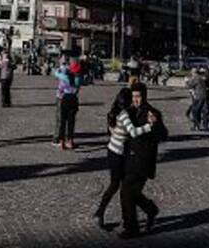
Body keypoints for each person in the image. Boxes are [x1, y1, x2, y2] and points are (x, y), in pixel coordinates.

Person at [94, 88, 155, 229]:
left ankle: (114, 214)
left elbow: (110, 130)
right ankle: (103, 212)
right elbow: (133, 132)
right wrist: (149, 126)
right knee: (121, 186)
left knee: (123, 187)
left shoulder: (113, 111)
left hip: (114, 151)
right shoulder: (124, 114)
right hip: (118, 154)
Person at [120, 82, 167, 239]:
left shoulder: (152, 112)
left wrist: (154, 124)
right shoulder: (129, 111)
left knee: (127, 192)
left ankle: (132, 228)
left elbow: (163, 135)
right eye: (133, 97)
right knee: (132, 193)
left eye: (138, 97)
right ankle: (150, 209)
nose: (136, 100)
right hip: (129, 159)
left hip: (143, 161)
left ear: (144, 96)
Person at [55, 60, 81, 149]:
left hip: (65, 98)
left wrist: (59, 69)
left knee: (62, 121)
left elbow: (56, 74)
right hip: (73, 99)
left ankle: (62, 141)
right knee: (71, 121)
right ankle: (70, 141)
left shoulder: (65, 78)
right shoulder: (79, 79)